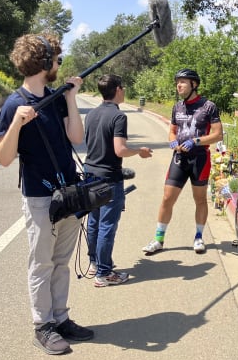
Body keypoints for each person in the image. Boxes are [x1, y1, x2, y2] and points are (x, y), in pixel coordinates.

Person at [0, 33, 94, 355]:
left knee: (61, 262)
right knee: (41, 263)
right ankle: (43, 325)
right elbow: (3, 157)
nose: (58, 65)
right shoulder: (14, 104)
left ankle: (61, 318)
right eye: (57, 59)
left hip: (68, 192)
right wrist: (17, 125)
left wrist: (70, 97)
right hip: (40, 197)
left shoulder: (54, 97)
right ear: (45, 62)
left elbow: (76, 137)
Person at [142, 68, 223, 255]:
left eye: (183, 82)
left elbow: (218, 135)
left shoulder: (208, 106)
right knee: (167, 198)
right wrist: (172, 140)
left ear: (194, 85)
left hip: (200, 159)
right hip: (179, 158)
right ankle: (158, 239)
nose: (179, 85)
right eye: (177, 82)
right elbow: (172, 130)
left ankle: (199, 237)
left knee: (200, 199)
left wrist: (196, 141)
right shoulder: (177, 107)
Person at [84, 74, 153, 287]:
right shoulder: (118, 116)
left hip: (89, 173)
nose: (124, 90)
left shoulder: (91, 114)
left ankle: (95, 262)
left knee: (94, 222)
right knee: (107, 225)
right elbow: (119, 149)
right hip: (109, 177)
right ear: (117, 90)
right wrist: (139, 151)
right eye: (122, 87)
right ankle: (104, 273)